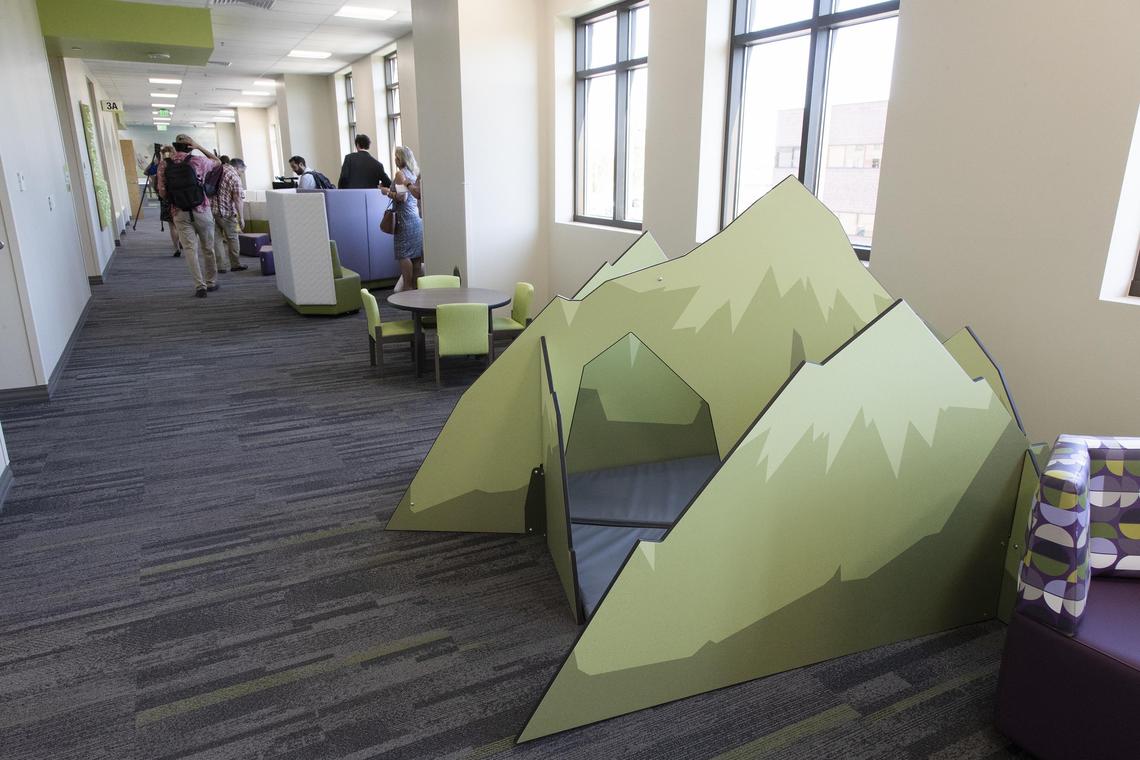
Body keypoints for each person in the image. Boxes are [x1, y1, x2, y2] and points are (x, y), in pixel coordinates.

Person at [158, 134, 221, 298]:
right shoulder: (198, 161)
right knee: (208, 248)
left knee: (190, 250)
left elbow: (162, 192)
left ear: (175, 147)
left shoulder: (164, 164)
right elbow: (218, 161)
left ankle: (200, 286)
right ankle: (211, 282)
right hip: (202, 209)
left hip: (179, 212)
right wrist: (199, 146)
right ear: (189, 146)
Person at [381, 145, 424, 290]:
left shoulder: (401, 174)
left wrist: (387, 191)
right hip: (416, 219)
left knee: (404, 254)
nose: (394, 160)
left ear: (401, 159)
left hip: (404, 219)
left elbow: (402, 197)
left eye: (396, 157)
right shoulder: (414, 173)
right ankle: (418, 294)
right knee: (417, 258)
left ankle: (407, 289)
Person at [212, 157, 248, 274]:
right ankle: (235, 264)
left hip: (212, 210)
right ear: (237, 167)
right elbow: (237, 199)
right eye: (242, 171)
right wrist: (241, 218)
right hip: (227, 212)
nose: (241, 174)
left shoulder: (218, 169)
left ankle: (221, 266)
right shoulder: (234, 177)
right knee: (232, 238)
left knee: (217, 239)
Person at [152, 145, 181, 257]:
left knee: (172, 225)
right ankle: (184, 243)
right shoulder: (180, 162)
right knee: (182, 224)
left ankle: (177, 248)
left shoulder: (162, 165)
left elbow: (160, 185)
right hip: (181, 197)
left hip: (168, 198)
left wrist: (163, 197)